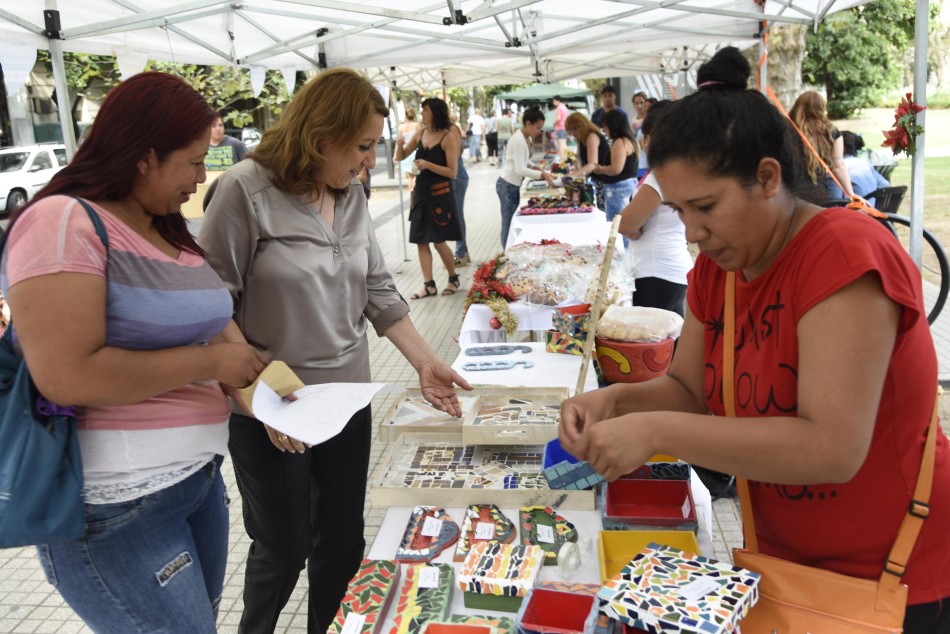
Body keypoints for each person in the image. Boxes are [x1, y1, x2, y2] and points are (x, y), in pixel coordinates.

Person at [559, 47, 950, 634]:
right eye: (679, 211)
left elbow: (832, 449)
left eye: (706, 207)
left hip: (894, 582)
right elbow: (690, 389)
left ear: (768, 178)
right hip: (789, 569)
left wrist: (655, 431)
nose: (691, 233)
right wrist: (617, 401)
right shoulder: (723, 270)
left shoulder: (842, 254)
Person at [200, 68, 471, 634]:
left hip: (345, 398)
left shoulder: (348, 197)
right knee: (284, 544)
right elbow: (209, 305)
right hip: (273, 404)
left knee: (342, 542)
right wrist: (255, 391)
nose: (372, 160)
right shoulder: (245, 190)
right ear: (321, 135)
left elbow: (376, 288)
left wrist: (425, 362)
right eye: (363, 146)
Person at [2, 72, 267, 632]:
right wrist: (212, 366)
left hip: (196, 483)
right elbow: (66, 376)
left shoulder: (161, 225)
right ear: (146, 157)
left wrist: (268, 394)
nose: (201, 179)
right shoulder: (62, 222)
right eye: (194, 162)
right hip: (116, 507)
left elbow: (212, 324)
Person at [617, 99, 692, 317]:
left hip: (657, 271)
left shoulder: (660, 175)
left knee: (657, 346)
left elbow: (627, 223)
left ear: (650, 138)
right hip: (662, 268)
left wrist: (627, 223)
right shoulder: (676, 169)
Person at [396, 97, 464, 298]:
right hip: (421, 194)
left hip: (440, 195)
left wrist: (428, 164)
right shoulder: (421, 132)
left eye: (424, 110)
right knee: (420, 240)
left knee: (438, 241)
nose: (422, 113)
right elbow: (401, 156)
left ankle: (453, 278)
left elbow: (452, 172)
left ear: (435, 112)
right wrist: (400, 145)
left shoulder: (448, 137)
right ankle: (429, 284)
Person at [497, 107, 556, 248]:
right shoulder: (518, 140)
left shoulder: (524, 137)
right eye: (537, 128)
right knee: (508, 223)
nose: (538, 132)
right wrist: (542, 175)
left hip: (511, 185)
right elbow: (520, 169)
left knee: (510, 222)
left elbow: (525, 162)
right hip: (507, 185)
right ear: (528, 123)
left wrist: (538, 168)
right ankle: (506, 254)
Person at [789, 90, 854, 202]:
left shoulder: (786, 129)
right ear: (821, 108)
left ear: (798, 106)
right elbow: (838, 166)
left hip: (788, 195)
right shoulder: (831, 132)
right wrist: (851, 194)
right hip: (818, 196)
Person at [593, 109, 638, 227]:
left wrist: (600, 169)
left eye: (606, 128)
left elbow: (615, 169)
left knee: (617, 228)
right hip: (624, 189)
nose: (606, 132)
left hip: (618, 191)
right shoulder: (630, 141)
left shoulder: (620, 142)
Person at [566, 112, 610, 211]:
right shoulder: (582, 139)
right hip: (597, 180)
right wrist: (574, 174)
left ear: (581, 125)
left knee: (606, 212)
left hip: (605, 181)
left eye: (574, 129)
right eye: (571, 130)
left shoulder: (592, 136)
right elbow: (579, 160)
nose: (573, 133)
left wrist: (575, 175)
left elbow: (593, 164)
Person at [841, 130, 889, 203]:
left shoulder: (840, 168)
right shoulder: (865, 164)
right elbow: (884, 184)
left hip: (855, 211)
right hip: (871, 210)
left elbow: (835, 202)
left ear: (842, 147)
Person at [449, 116, 472, 266]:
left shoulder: (452, 129)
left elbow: (455, 154)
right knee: (456, 215)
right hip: (454, 177)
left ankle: (461, 252)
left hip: (458, 177)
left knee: (457, 214)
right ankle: (463, 251)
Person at [397, 108, 421, 195]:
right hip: (414, 152)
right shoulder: (417, 125)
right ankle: (413, 193)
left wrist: (395, 155)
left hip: (405, 151)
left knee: (409, 176)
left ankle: (411, 192)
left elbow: (399, 141)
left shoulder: (401, 127)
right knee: (415, 174)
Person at [552, 95, 569, 162]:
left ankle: (563, 159)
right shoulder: (564, 107)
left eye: (554, 101)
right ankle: (566, 158)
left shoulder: (559, 107)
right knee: (564, 143)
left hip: (560, 127)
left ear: (557, 100)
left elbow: (558, 118)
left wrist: (554, 123)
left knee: (561, 143)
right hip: (564, 127)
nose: (553, 103)